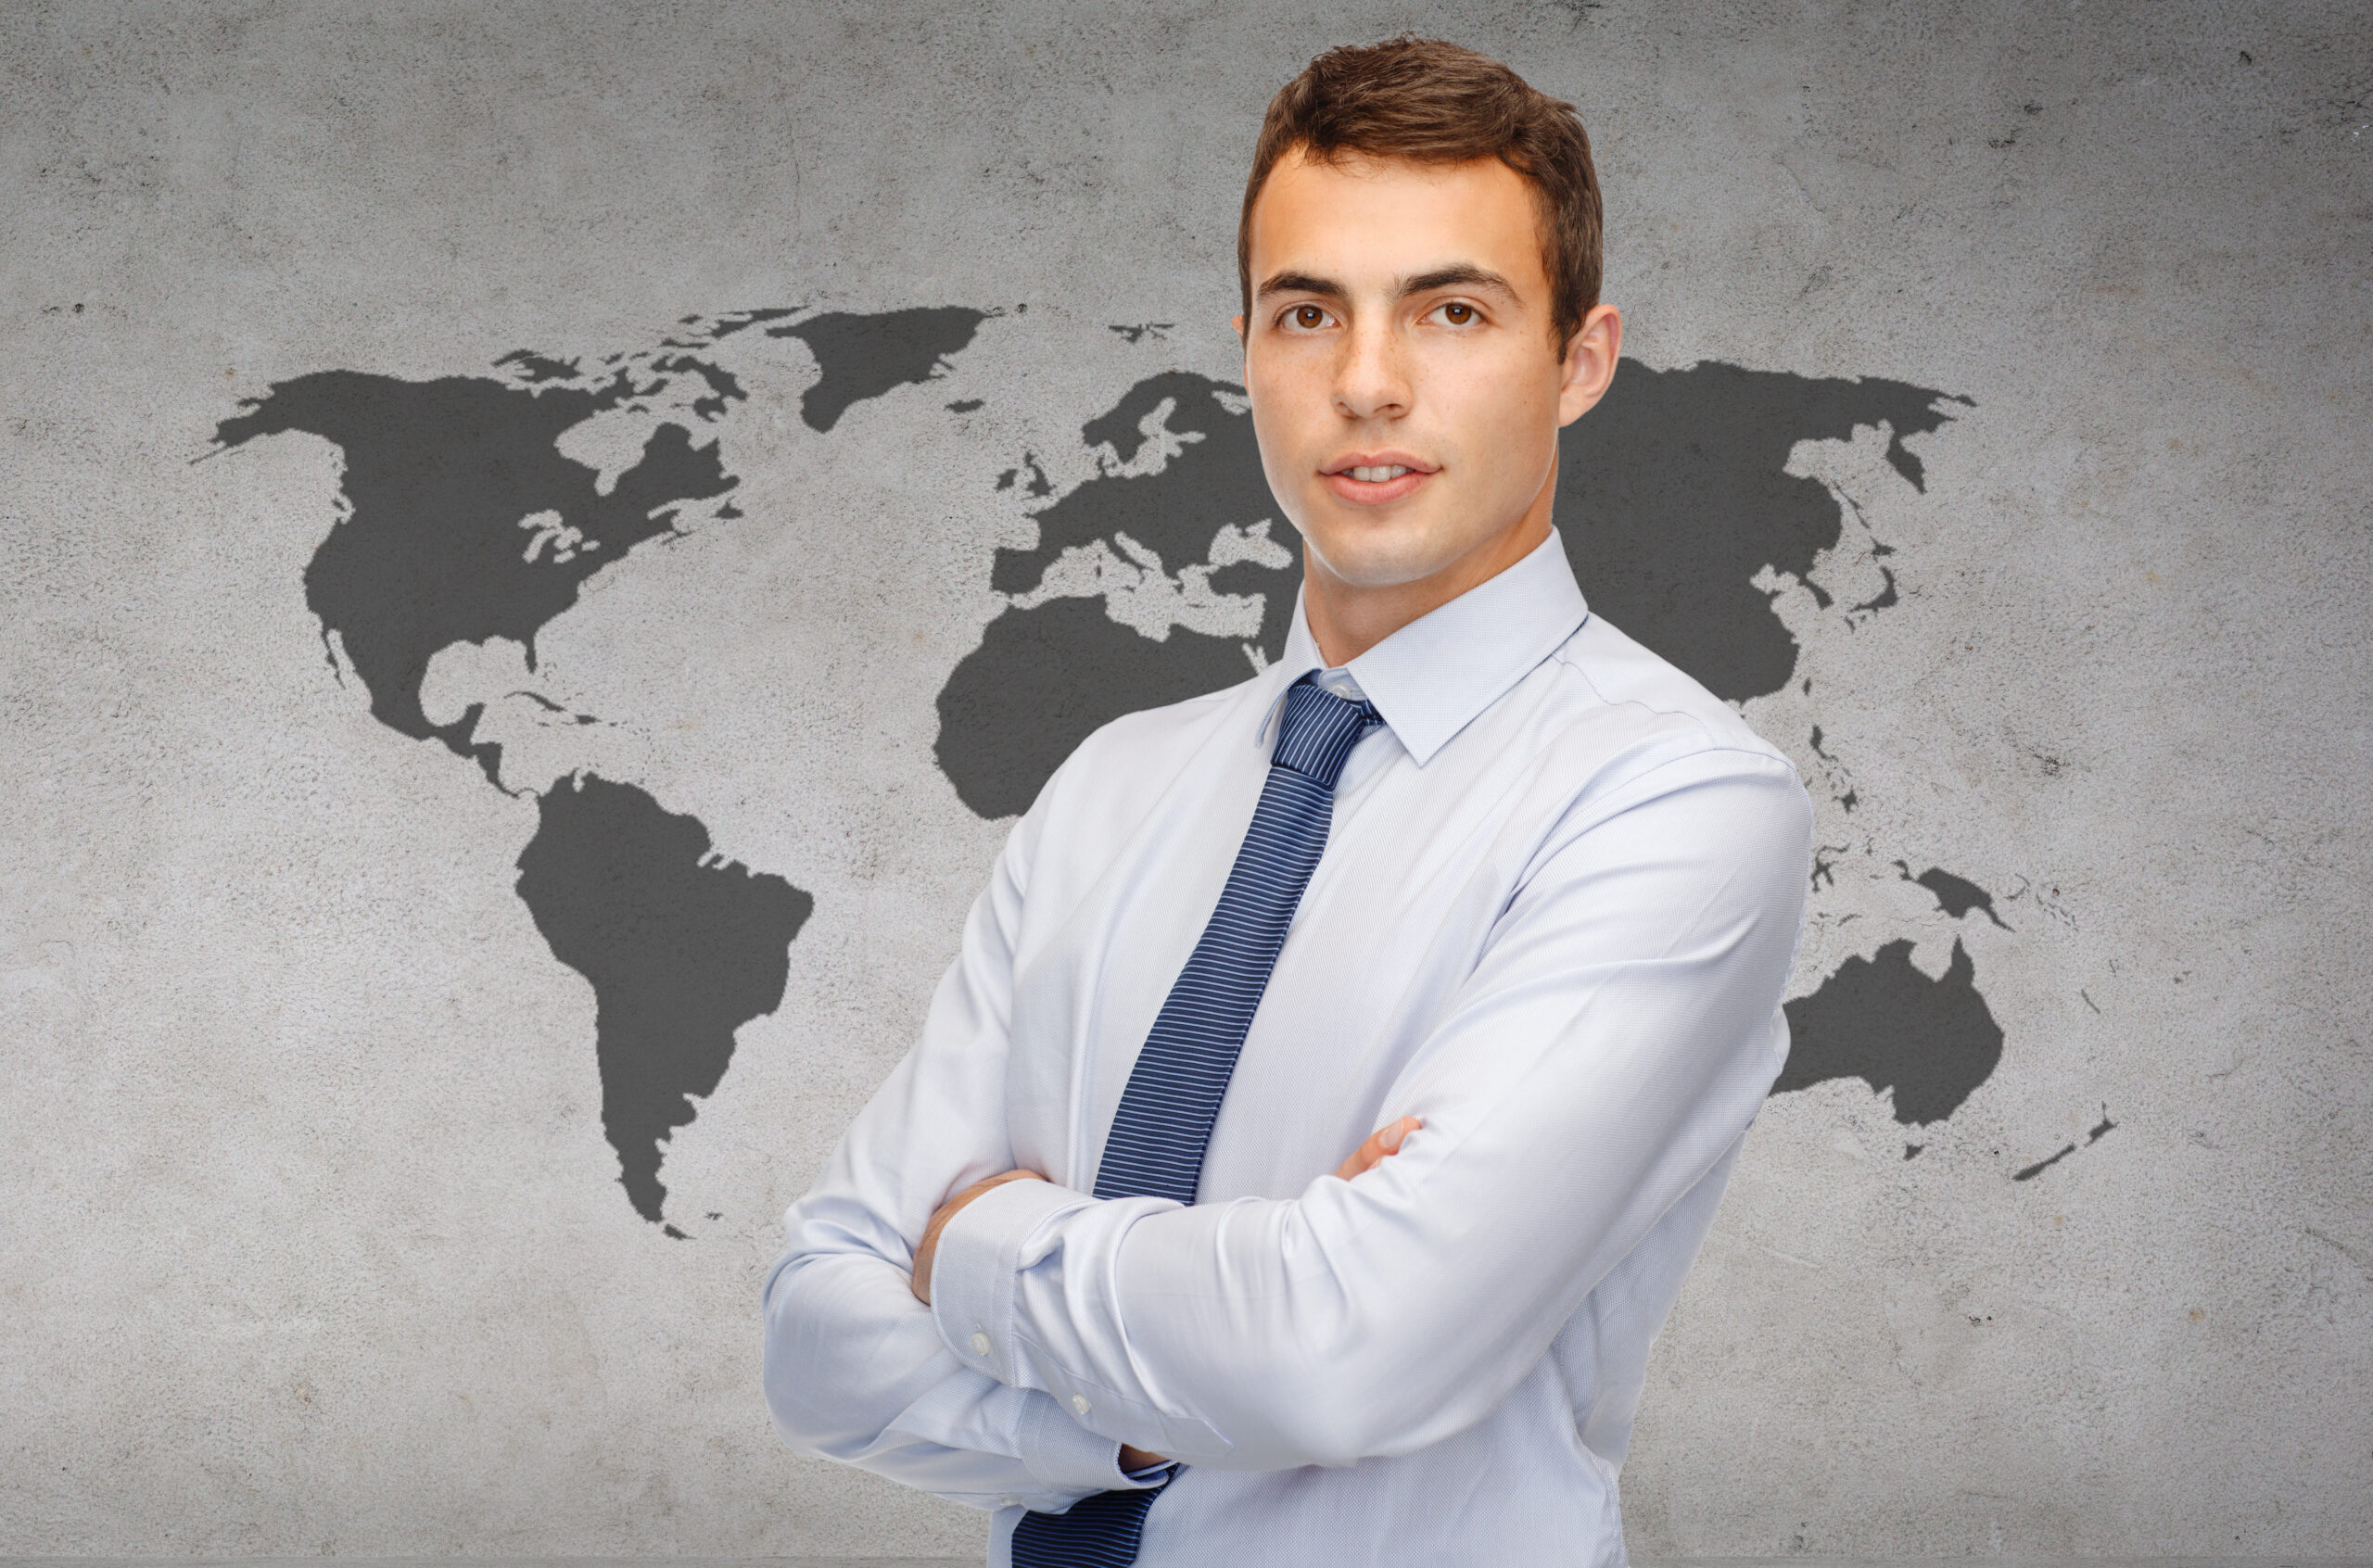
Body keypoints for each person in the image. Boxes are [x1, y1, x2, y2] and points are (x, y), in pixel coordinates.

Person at [763, 36, 1811, 1568]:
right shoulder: (1114, 786)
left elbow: (1348, 1342)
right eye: (1307, 312)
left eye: (1453, 311)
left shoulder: (1675, 801)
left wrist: (971, 1243)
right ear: (1246, 347)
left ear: (1579, 363)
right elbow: (814, 1331)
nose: (1367, 383)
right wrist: (1128, 1416)